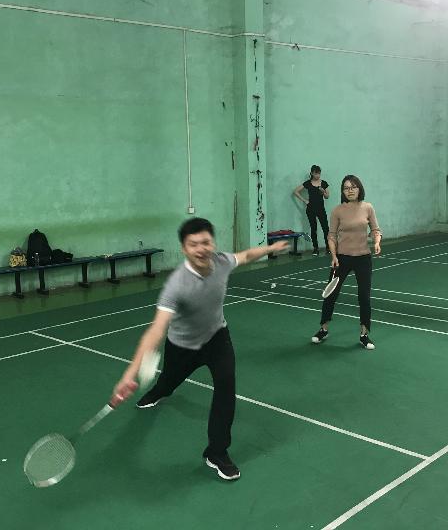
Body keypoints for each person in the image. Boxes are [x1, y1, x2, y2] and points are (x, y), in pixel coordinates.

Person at [110, 218, 288, 481]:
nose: (201, 249)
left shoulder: (222, 262)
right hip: (183, 346)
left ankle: (216, 452)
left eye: (205, 242)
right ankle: (160, 390)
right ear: (184, 249)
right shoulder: (177, 284)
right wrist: (129, 374)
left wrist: (270, 249)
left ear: (213, 243)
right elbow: (156, 330)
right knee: (169, 379)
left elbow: (246, 255)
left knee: (226, 389)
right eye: (193, 244)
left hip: (217, 339)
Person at [312, 175, 381, 349]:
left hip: (363, 258)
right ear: (343, 191)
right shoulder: (337, 211)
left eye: (353, 187)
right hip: (341, 259)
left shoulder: (368, 207)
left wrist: (377, 242)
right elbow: (331, 236)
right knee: (330, 295)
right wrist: (334, 256)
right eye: (346, 188)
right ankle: (323, 329)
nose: (350, 190)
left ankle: (364, 334)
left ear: (359, 189)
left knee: (364, 297)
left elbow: (375, 230)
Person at [293, 165, 330, 256]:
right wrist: (304, 200)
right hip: (311, 209)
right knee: (313, 228)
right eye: (316, 173)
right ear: (312, 173)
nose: (318, 175)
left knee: (326, 228)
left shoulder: (324, 183)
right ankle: (315, 248)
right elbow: (295, 191)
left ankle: (328, 248)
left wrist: (323, 192)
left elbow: (327, 197)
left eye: (319, 173)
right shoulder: (308, 183)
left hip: (321, 209)